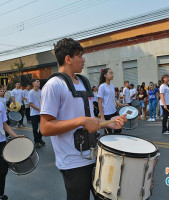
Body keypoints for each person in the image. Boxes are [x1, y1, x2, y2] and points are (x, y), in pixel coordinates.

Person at [40, 38, 126, 200]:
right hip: (72, 162)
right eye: (80, 55)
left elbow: (90, 120)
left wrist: (109, 122)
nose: (83, 59)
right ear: (68, 58)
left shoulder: (84, 83)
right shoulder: (54, 85)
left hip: (95, 155)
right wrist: (80, 121)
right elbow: (45, 128)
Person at [0, 90, 22, 200]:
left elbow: (4, 124)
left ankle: (0, 194)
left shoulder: (1, 104)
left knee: (3, 169)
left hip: (1, 141)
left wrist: (15, 136)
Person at [98, 68, 125, 134]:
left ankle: (117, 144)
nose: (112, 75)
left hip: (114, 112)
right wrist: (102, 117)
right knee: (108, 133)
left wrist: (122, 105)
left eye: (112, 73)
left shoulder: (112, 86)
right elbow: (99, 102)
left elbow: (114, 99)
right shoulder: (102, 86)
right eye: (110, 73)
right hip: (106, 114)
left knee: (118, 129)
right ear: (105, 75)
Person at [28, 80, 45, 149]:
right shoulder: (31, 92)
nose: (39, 83)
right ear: (33, 83)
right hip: (34, 113)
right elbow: (30, 103)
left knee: (43, 127)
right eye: (37, 81)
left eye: (39, 82)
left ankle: (39, 138)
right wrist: (38, 109)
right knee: (35, 128)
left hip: (41, 113)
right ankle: (37, 142)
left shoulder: (41, 92)